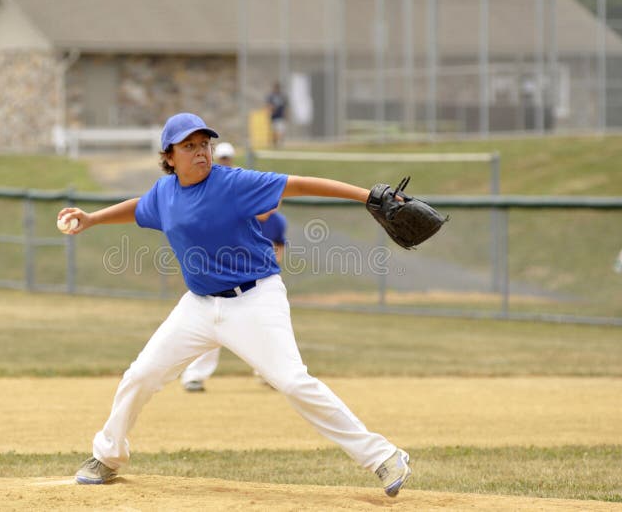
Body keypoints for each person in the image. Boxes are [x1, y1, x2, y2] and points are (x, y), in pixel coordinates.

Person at [57, 112, 411, 497]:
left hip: (255, 299)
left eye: (204, 143)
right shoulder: (164, 193)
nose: (200, 152)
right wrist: (91, 219)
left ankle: (383, 457)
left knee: (292, 381)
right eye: (189, 146)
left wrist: (367, 197)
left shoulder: (234, 183)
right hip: (198, 306)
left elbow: (301, 184)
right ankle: (107, 457)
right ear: (169, 156)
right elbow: (141, 207)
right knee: (140, 375)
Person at [179, 140, 289, 392]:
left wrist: (272, 266)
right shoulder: (231, 202)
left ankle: (269, 373)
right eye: (222, 158)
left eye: (228, 158)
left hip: (256, 282)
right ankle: (194, 376)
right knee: (209, 328)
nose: (225, 163)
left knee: (263, 327)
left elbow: (278, 245)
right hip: (220, 279)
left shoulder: (262, 208)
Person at [266, 82, 288, 148]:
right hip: (274, 117)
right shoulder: (271, 96)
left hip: (281, 117)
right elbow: (268, 105)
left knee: (281, 131)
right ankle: (275, 144)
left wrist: (286, 115)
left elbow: (285, 106)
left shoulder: (282, 96)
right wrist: (271, 109)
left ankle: (281, 144)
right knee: (274, 132)